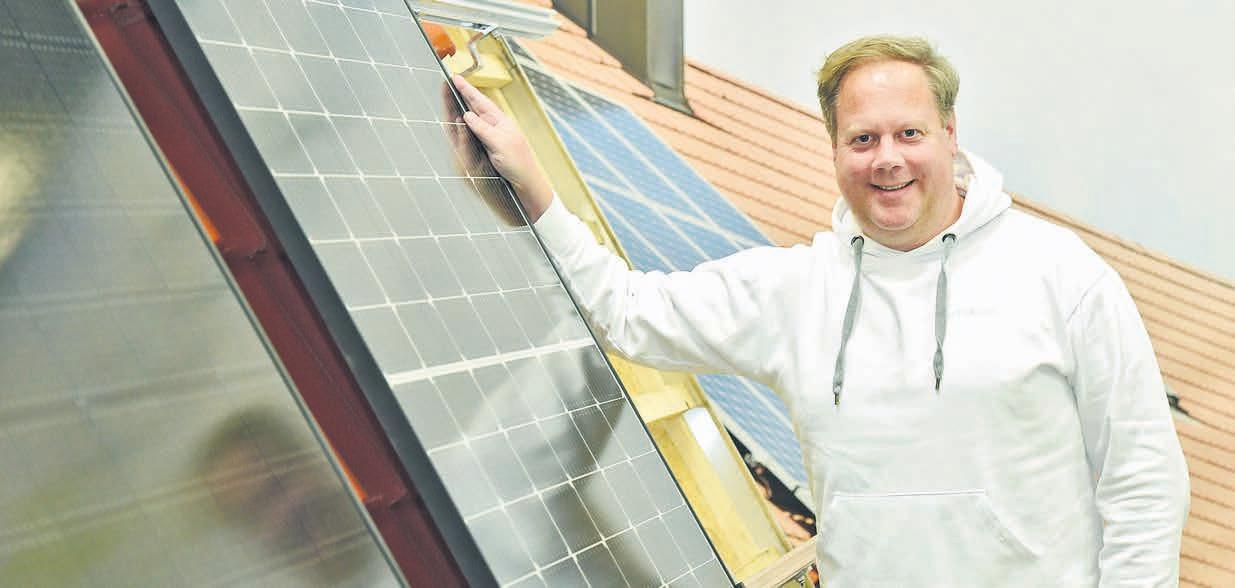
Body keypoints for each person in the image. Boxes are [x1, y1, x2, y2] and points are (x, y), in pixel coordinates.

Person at [453, 34, 1190, 586]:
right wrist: (534, 195)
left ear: (949, 133)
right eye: (862, 139)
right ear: (834, 150)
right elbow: (627, 313)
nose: (887, 159)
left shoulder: (1060, 276)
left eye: (908, 133)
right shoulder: (796, 292)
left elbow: (1144, 481)